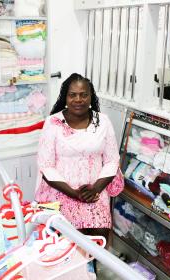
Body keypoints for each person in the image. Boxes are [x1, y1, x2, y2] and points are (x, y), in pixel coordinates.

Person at [35, 73, 124, 241]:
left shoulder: (103, 121)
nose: (78, 99)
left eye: (84, 95)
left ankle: (93, 268)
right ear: (65, 97)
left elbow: (112, 160)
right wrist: (74, 193)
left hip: (95, 195)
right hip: (61, 195)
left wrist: (96, 189)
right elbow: (46, 165)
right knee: (64, 247)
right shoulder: (53, 122)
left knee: (97, 244)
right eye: (73, 95)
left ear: (91, 97)